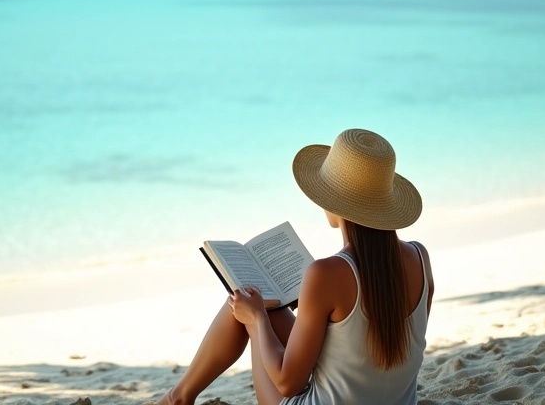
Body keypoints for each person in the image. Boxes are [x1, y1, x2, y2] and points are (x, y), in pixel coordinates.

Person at [155, 128, 433, 405]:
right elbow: (371, 343)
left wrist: (257, 320)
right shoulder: (420, 256)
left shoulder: (327, 274)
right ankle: (178, 397)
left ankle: (177, 398)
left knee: (246, 303)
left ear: (333, 200)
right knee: (262, 304)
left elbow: (288, 383)